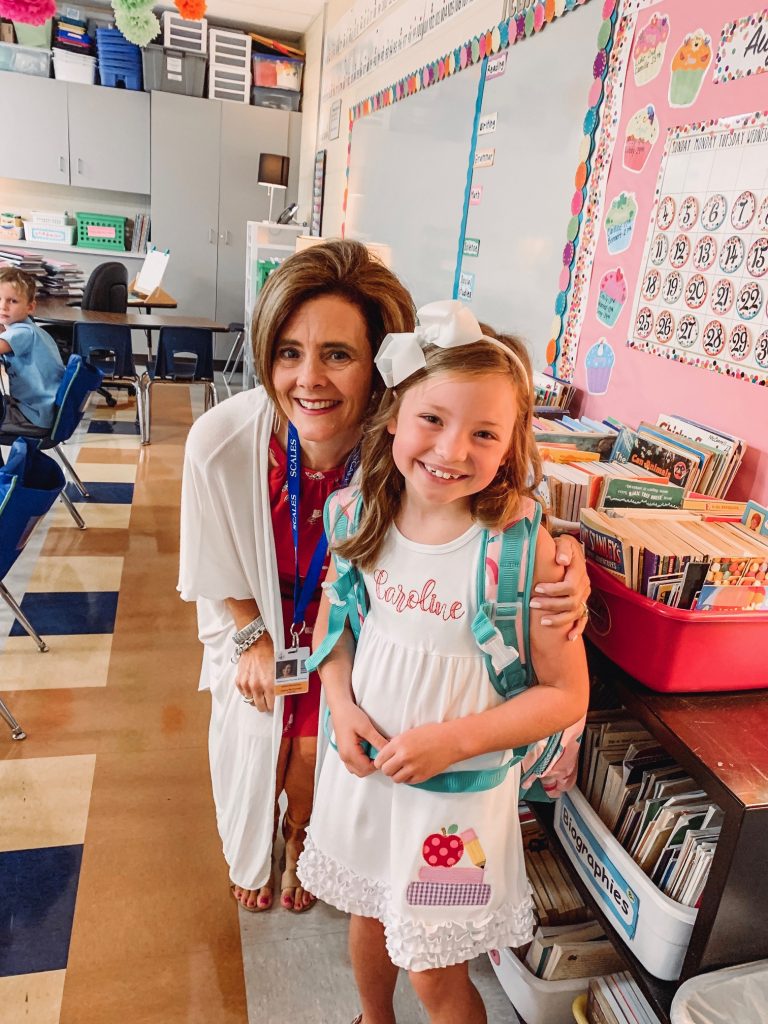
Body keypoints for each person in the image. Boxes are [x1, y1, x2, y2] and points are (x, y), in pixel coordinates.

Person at [178, 241, 590, 917]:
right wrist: (251, 633)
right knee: (259, 747)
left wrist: (568, 569)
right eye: (288, 352)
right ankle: (262, 847)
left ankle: (303, 838)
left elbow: (495, 520)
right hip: (267, 620)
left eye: (337, 354)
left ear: (379, 367)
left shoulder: (409, 435)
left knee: (314, 756)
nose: (309, 378)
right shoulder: (222, 440)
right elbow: (211, 558)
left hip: (359, 626)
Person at [298, 300, 589, 1024]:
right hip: (366, 774)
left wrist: (448, 743)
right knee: (367, 916)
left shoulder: (526, 554)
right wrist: (339, 706)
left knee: (434, 967)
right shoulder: (358, 513)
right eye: (433, 419)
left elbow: (565, 694)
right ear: (394, 414)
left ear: (509, 444)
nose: (452, 451)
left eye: (483, 433)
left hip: (454, 803)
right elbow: (333, 628)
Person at [0, 268, 64, 433]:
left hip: (33, 415)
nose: (3, 307)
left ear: (30, 307)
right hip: (41, 410)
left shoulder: (23, 333)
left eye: (12, 301)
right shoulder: (30, 329)